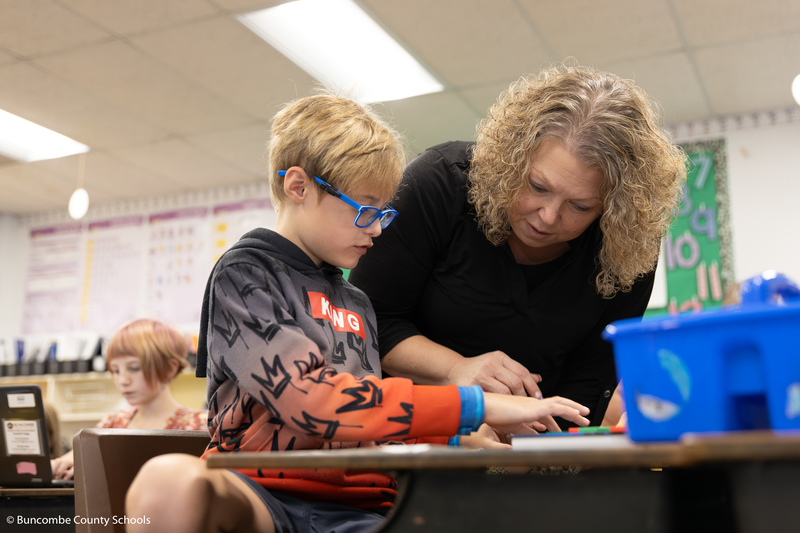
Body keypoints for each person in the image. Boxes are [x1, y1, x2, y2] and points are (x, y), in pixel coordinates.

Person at [124, 91, 590, 533]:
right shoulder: (246, 274)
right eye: (365, 210)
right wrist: (475, 405)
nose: (378, 230)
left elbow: (368, 422)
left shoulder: (358, 303)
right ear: (299, 186)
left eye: (384, 214)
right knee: (167, 484)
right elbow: (313, 403)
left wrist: (461, 439)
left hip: (359, 508)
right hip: (259, 492)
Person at [349, 63, 688, 427]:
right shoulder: (439, 186)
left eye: (580, 206)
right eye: (538, 187)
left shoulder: (625, 250)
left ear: (611, 208)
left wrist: (536, 448)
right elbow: (368, 322)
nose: (547, 216)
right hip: (412, 432)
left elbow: (587, 385)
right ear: (510, 161)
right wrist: (455, 369)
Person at [50, 318, 206, 480]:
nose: (123, 380)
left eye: (134, 368)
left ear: (170, 368)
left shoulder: (197, 426)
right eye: (116, 370)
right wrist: (61, 464)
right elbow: (71, 457)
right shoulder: (114, 422)